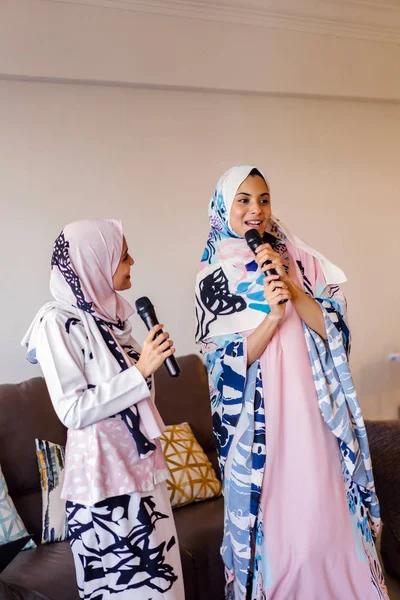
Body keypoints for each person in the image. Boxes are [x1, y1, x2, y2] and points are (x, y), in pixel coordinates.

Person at [195, 165, 389, 600]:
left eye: (263, 199)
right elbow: (221, 365)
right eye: (243, 200)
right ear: (224, 207)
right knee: (286, 541)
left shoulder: (299, 259)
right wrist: (272, 318)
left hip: (318, 410)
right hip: (263, 424)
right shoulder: (212, 278)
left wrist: (292, 288)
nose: (255, 210)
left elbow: (336, 332)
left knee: (331, 525)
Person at [22, 220, 184, 600]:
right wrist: (141, 369)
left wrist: (145, 365)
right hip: (104, 485)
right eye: (122, 255)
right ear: (94, 261)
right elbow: (73, 410)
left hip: (142, 474)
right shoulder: (55, 323)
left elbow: (133, 401)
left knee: (167, 591)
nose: (131, 261)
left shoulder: (111, 323)